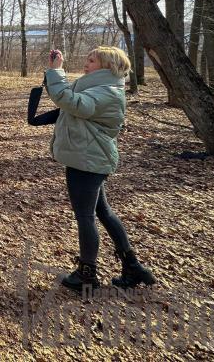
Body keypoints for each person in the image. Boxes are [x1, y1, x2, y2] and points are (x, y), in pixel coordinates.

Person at [45, 46, 156, 293]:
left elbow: (71, 101)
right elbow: (71, 98)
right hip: (90, 158)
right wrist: (57, 71)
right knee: (103, 212)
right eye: (87, 58)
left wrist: (56, 72)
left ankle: (87, 273)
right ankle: (133, 267)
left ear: (107, 66)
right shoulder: (101, 87)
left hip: (87, 161)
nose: (86, 63)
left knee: (86, 217)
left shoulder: (107, 92)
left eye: (92, 60)